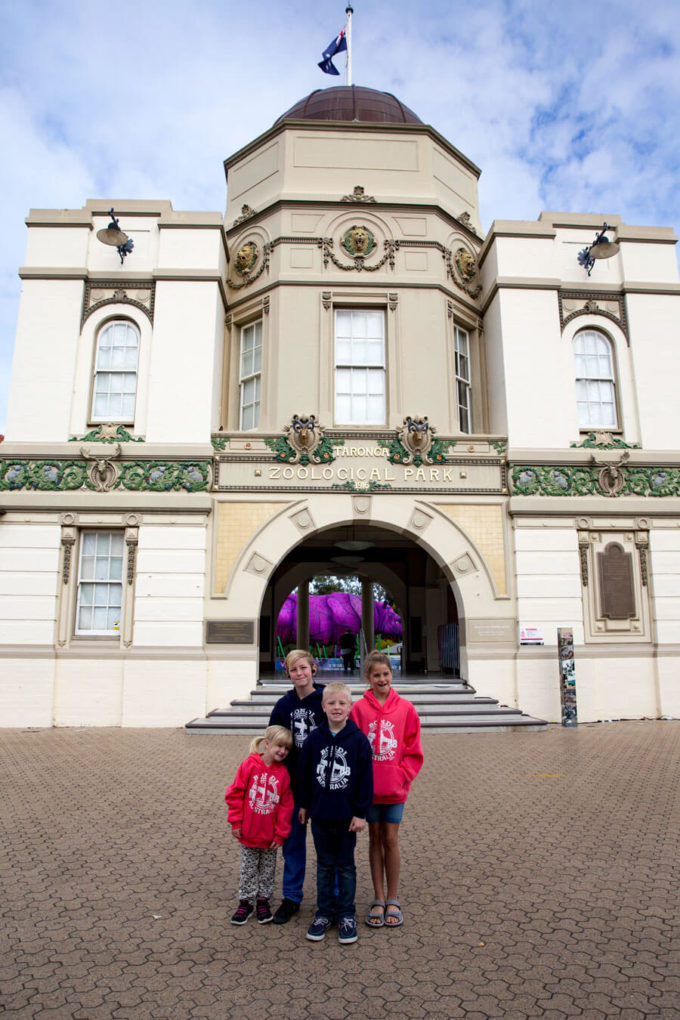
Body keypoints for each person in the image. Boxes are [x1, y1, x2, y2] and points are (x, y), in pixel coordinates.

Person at [350, 650, 423, 929]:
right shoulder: (359, 709)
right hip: (368, 790)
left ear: (392, 674)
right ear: (368, 678)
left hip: (394, 790)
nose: (382, 679)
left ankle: (393, 897)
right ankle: (378, 898)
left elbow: (413, 749)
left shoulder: (406, 709)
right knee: (374, 839)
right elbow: (354, 747)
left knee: (391, 840)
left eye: (386, 674)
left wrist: (402, 776)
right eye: (376, 675)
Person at [297, 681, 373, 944]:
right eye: (332, 703)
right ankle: (324, 912)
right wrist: (304, 804)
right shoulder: (314, 739)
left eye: (342, 703)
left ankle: (346, 913)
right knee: (324, 866)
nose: (337, 708)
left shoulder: (359, 741)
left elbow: (365, 780)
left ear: (350, 707)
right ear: (323, 706)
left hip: (347, 816)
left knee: (346, 866)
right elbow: (305, 774)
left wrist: (361, 813)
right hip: (320, 814)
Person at [268, 649, 325, 924]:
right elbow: (273, 741)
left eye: (303, 667)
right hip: (292, 785)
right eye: (294, 670)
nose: (299, 673)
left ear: (314, 669)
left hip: (324, 784)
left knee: (328, 844)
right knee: (292, 844)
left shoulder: (327, 700)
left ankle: (332, 899)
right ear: (288, 673)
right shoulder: (283, 705)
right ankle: (291, 896)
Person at [225, 725, 294, 925]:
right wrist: (236, 821)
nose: (282, 751)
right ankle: (245, 902)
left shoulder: (284, 774)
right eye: (279, 746)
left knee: (267, 871)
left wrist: (281, 834)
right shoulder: (249, 766)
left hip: (269, 836)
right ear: (267, 744)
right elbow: (235, 794)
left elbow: (285, 806)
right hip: (248, 833)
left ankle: (263, 902)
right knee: (248, 869)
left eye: (286, 749)